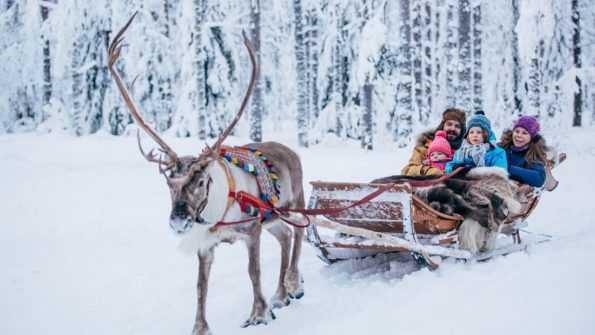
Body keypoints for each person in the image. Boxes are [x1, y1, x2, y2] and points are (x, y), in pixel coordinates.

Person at [401, 108, 466, 176]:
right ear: (442, 125)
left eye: (457, 126)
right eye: (449, 124)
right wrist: (429, 171)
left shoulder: (466, 149)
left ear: (462, 130)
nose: (453, 128)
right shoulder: (425, 146)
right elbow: (407, 170)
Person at [498, 115, 547, 187]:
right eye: (517, 131)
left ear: (532, 137)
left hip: (513, 194)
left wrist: (508, 169)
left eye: (524, 133)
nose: (519, 135)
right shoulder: (501, 147)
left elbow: (539, 178)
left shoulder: (533, 154)